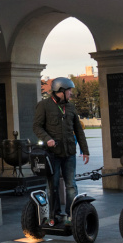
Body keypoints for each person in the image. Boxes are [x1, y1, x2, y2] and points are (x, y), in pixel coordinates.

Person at [33, 77, 90, 225]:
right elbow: (37, 126)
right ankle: (54, 215)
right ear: (60, 91)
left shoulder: (70, 107)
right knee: (53, 186)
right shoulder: (44, 105)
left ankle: (72, 215)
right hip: (53, 154)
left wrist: (85, 150)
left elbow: (78, 129)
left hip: (69, 152)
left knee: (71, 185)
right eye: (69, 90)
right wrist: (47, 139)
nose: (71, 93)